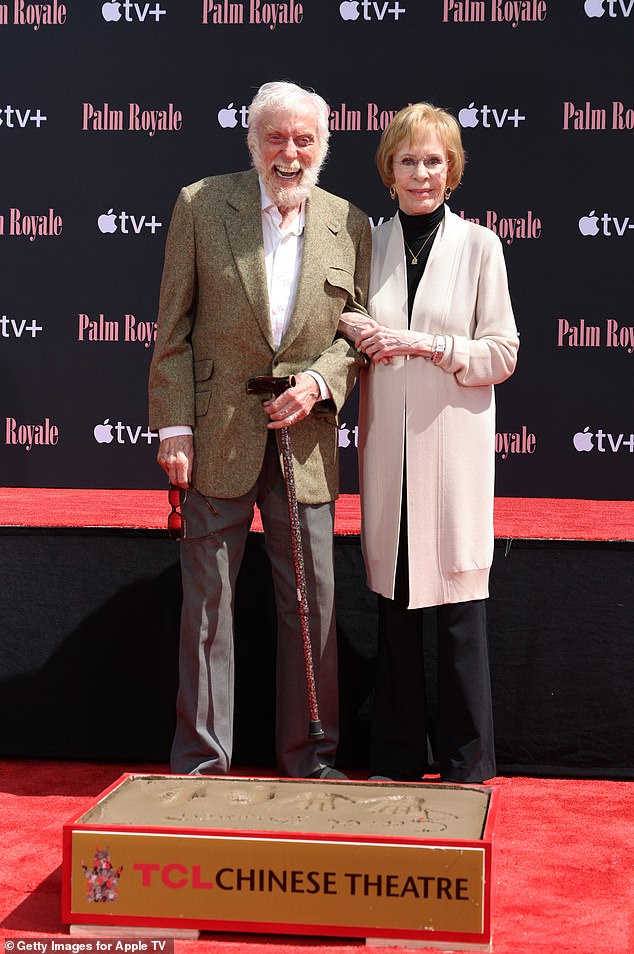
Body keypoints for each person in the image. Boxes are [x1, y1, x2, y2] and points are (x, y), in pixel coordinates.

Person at [149, 80, 371, 780]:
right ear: (253, 141)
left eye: (304, 138)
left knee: (312, 605)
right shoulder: (201, 204)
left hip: (302, 442)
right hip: (215, 436)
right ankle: (201, 765)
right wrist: (174, 427)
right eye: (276, 137)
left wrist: (318, 382)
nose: (289, 151)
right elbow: (173, 331)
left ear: (322, 146)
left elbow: (356, 337)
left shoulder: (350, 223)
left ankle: (312, 758)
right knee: (208, 606)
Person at [340, 102, 519, 784]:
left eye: (434, 160)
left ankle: (467, 763)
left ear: (453, 171)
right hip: (390, 453)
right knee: (395, 610)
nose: (421, 173)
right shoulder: (368, 242)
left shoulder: (481, 247)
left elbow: (502, 352)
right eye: (408, 160)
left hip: (453, 454)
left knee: (458, 615)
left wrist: (429, 344)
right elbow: (344, 315)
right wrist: (361, 330)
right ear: (389, 170)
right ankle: (393, 757)